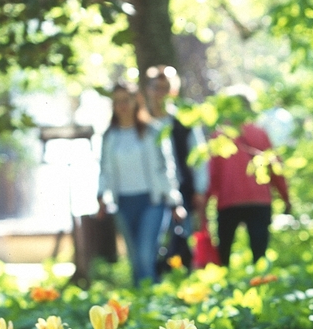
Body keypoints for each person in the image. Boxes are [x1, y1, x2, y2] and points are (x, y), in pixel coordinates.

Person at [97, 81, 178, 285]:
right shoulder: (110, 136)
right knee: (134, 260)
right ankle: (140, 307)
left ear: (136, 101)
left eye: (126, 100)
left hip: (152, 201)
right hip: (124, 203)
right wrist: (101, 196)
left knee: (145, 255)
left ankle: (153, 302)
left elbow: (166, 167)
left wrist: (175, 200)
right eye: (117, 102)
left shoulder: (152, 131)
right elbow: (105, 169)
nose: (122, 105)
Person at [200, 92, 292, 266]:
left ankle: (224, 285)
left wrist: (204, 204)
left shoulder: (219, 136)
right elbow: (276, 168)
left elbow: (212, 176)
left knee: (223, 254)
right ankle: (260, 283)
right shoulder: (259, 133)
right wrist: (286, 198)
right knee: (259, 254)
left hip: (229, 202)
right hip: (259, 201)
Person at [142, 66, 200, 273]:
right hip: (150, 195)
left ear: (173, 91)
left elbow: (198, 157)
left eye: (165, 88)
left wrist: (200, 190)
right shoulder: (141, 124)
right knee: (152, 248)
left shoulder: (183, 123)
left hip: (182, 191)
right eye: (157, 88)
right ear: (149, 90)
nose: (161, 93)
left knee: (181, 242)